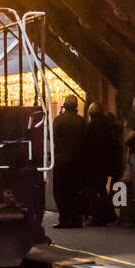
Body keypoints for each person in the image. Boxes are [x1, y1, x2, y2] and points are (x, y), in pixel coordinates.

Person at [52, 94, 87, 228]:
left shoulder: (59, 120)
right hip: (78, 162)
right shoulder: (82, 121)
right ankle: (76, 219)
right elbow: (85, 141)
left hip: (62, 161)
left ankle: (64, 219)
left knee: (60, 191)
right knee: (75, 191)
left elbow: (54, 138)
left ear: (64, 106)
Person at [83, 102, 117, 226]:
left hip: (91, 163)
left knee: (92, 190)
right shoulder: (107, 127)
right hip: (103, 163)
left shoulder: (90, 127)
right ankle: (108, 215)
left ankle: (97, 215)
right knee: (101, 189)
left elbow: (85, 146)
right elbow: (112, 145)